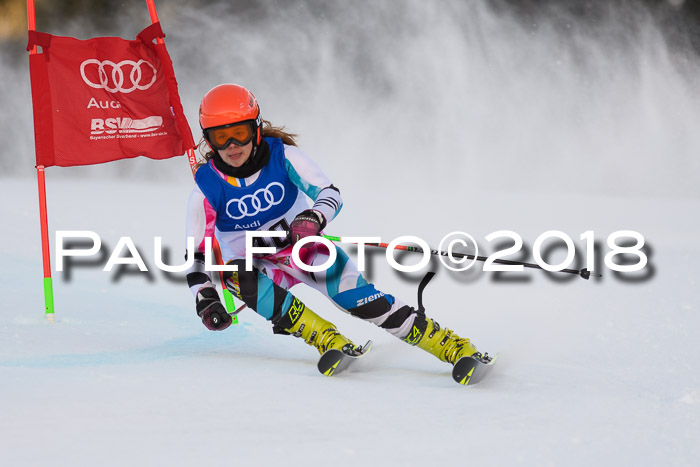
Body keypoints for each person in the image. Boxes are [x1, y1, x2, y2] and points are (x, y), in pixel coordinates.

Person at [185, 83, 485, 371]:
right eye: (220, 137)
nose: (232, 145)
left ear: (257, 128)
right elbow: (197, 257)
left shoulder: (282, 157)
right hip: (260, 265)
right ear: (208, 140)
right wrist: (206, 298)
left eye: (240, 132)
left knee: (359, 301)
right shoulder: (206, 190)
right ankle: (326, 338)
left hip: (304, 250)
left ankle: (451, 346)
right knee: (236, 274)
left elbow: (330, 194)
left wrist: (314, 218)